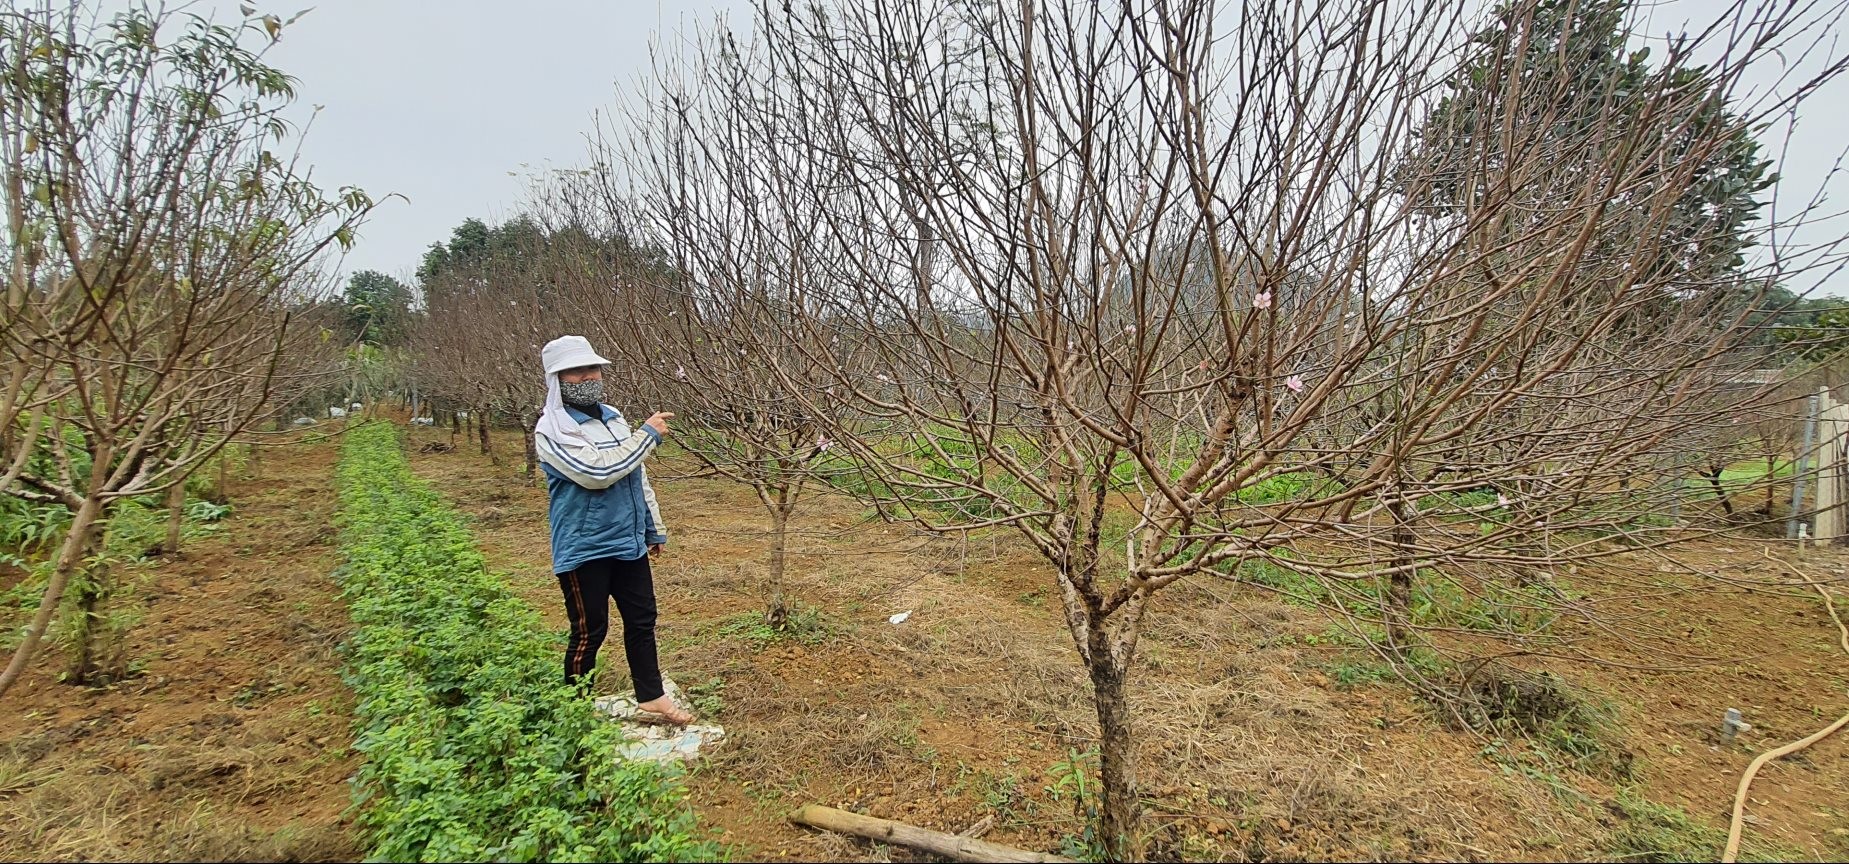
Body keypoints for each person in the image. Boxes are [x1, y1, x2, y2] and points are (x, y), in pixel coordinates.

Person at [533, 334, 693, 725]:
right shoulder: (553, 431)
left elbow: (636, 476)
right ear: (557, 380)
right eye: (575, 372)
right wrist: (647, 435)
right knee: (590, 630)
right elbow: (598, 474)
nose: (586, 376)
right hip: (584, 547)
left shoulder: (613, 418)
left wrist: (652, 528)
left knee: (642, 620)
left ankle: (651, 697)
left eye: (592, 369)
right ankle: (575, 707)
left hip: (627, 542)